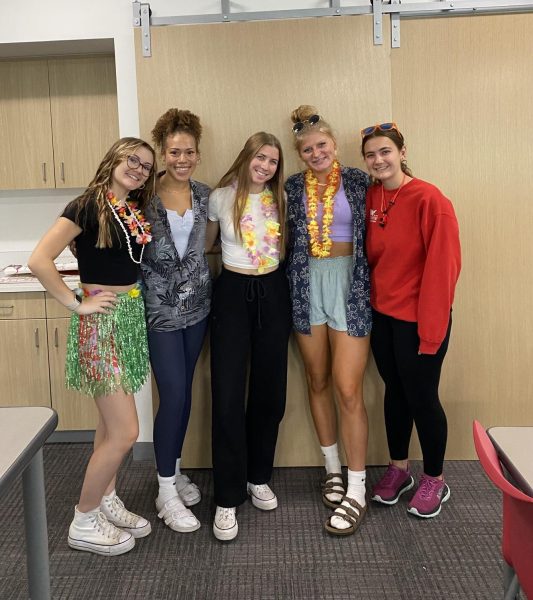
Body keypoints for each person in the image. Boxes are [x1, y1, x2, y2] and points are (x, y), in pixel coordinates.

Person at [28, 137, 156, 555]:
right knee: (126, 431)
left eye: (145, 166)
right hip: (101, 325)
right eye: (132, 160)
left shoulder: (130, 210)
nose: (138, 169)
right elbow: (39, 259)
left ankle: (105, 499)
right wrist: (76, 305)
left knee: (108, 425)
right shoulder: (87, 205)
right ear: (113, 159)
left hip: (129, 320)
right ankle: (83, 520)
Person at [361, 122, 461, 518]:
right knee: (395, 393)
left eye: (385, 151)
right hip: (382, 317)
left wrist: (431, 332)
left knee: (422, 397)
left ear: (401, 152)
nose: (378, 160)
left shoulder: (430, 199)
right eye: (370, 154)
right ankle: (399, 469)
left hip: (420, 320)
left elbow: (444, 269)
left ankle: (435, 478)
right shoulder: (372, 196)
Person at [285, 106, 371, 536]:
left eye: (322, 145)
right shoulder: (292, 186)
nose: (316, 152)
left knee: (348, 387)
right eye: (307, 148)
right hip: (305, 285)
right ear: (299, 155)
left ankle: (357, 486)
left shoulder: (357, 180)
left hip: (351, 284)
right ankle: (332, 467)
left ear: (334, 145)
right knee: (317, 380)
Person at [205, 132, 291, 541]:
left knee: (270, 392)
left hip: (273, 293)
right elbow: (206, 248)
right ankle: (227, 495)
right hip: (233, 295)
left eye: (273, 161)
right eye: (260, 157)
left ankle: (259, 476)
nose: (266, 166)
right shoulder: (221, 198)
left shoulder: (281, 199)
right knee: (226, 395)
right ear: (246, 157)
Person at [140, 109, 211, 533]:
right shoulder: (143, 197)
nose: (181, 158)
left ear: (197, 154)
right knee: (173, 393)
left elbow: (209, 246)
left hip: (199, 307)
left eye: (188, 152)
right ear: (163, 152)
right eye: (173, 151)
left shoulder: (204, 194)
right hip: (159, 311)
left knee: (184, 394)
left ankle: (175, 470)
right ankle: (165, 491)